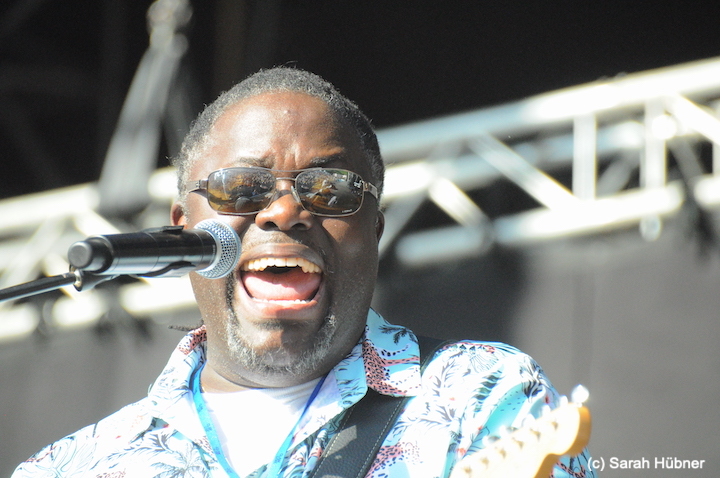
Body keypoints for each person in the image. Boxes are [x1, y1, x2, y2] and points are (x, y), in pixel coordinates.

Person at [13, 68, 595, 478]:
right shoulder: (71, 467)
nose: (284, 211)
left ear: (373, 230)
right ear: (181, 227)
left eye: (330, 188)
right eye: (242, 186)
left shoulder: (480, 397)